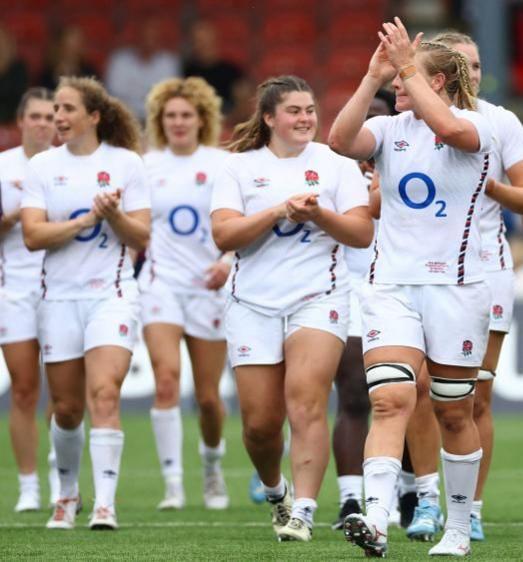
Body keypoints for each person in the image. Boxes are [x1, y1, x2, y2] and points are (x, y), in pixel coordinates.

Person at [329, 17, 493, 557]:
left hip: (457, 286)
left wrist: (404, 64)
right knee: (390, 398)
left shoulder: (480, 126)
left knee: (452, 410)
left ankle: (458, 526)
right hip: (392, 285)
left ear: (438, 82)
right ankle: (375, 519)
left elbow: (449, 132)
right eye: (396, 80)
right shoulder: (389, 131)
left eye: (406, 79)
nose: (396, 87)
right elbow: (340, 140)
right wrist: (372, 75)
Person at [210, 75, 372, 542]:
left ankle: (303, 509)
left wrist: (320, 214)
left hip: (318, 298)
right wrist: (279, 210)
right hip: (252, 303)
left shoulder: (336, 163)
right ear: (269, 118)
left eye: (310, 110)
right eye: (294, 111)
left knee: (306, 402)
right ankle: (276, 490)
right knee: (260, 425)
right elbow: (225, 236)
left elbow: (361, 233)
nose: (306, 119)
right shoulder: (238, 168)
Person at [407, 29, 523, 543]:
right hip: (418, 271)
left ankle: (472, 506)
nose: (473, 75)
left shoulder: (500, 122)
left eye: (479, 65)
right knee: (418, 389)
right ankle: (425, 499)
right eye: (463, 65)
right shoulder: (405, 122)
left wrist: (494, 187)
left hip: (484, 269)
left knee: (472, 398)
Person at [20, 76, 149, 531]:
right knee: (67, 408)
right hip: (57, 298)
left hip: (111, 296)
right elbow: (34, 236)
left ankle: (105, 505)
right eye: (56, 108)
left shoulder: (126, 163)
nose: (58, 117)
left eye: (68, 108)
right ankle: (67, 493)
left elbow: (142, 236)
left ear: (94, 116)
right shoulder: (42, 167)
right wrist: (89, 219)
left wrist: (114, 216)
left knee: (105, 393)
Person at [139, 77, 230, 511]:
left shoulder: (221, 164)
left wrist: (227, 260)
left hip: (209, 287)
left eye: (185, 115)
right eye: (170, 115)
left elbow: (237, 220)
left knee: (209, 398)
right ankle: (173, 483)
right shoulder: (146, 166)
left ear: (202, 119)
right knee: (166, 381)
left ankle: (212, 466)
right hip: (160, 284)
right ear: (160, 121)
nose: (177, 122)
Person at [331, 87, 397, 530]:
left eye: (378, 116)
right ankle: (351, 499)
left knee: (402, 394)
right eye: (363, 117)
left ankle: (410, 493)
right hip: (347, 286)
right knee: (355, 392)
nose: (368, 126)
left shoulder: (409, 159)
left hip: (400, 284)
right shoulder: (332, 169)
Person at [0, 88, 56, 512]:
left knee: (64, 391)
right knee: (23, 389)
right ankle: (28, 485)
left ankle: (60, 477)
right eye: (34, 116)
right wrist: (21, 213)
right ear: (21, 121)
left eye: (49, 116)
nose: (42, 123)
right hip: (15, 289)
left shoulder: (68, 167)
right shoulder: (3, 167)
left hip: (61, 288)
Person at [106, 20, 181, 121]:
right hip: (125, 120)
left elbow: (169, 96)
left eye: (152, 37)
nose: (148, 41)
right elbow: (113, 94)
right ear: (136, 37)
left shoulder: (168, 63)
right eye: (145, 36)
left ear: (158, 39)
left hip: (157, 121)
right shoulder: (120, 61)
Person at [182, 21, 246, 112]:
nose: (202, 45)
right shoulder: (187, 70)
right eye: (198, 41)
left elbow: (243, 104)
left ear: (214, 40)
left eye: (205, 41)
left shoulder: (232, 71)